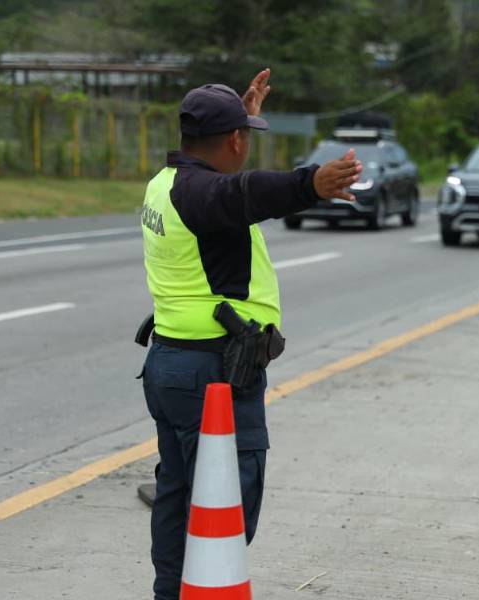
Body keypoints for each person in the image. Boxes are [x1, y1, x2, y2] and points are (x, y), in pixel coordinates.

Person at [137, 69, 361, 600]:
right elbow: (243, 191)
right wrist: (310, 183)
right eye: (244, 135)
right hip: (212, 377)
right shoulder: (202, 194)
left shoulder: (165, 184)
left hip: (170, 367)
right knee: (227, 502)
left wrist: (235, 114)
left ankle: (171, 593)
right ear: (235, 140)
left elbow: (226, 187)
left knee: (177, 495)